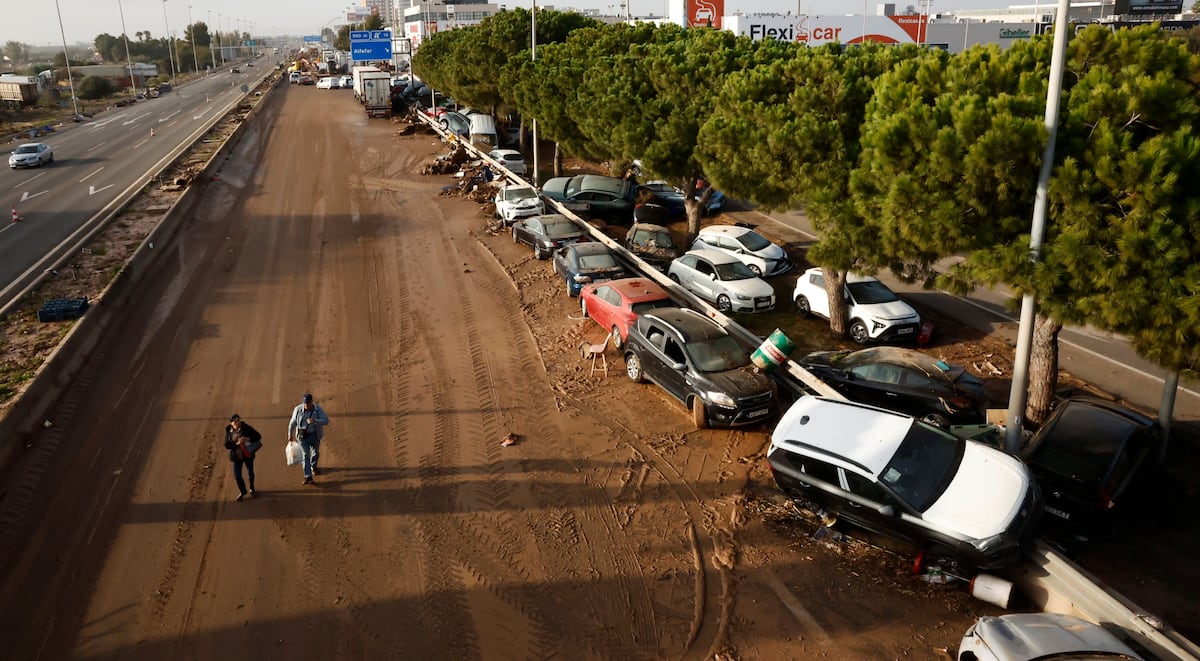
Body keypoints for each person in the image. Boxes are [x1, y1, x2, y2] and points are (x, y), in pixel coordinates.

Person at [288, 393, 329, 485]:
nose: (306, 405)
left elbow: (326, 420)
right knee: (305, 455)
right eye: (305, 403)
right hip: (302, 437)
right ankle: (308, 476)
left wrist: (315, 421)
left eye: (308, 403)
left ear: (311, 402)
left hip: (314, 435)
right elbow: (292, 423)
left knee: (316, 453)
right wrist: (290, 434)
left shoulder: (317, 410)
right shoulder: (298, 410)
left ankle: (313, 465)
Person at [224, 414, 262, 501]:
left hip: (247, 455)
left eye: (238, 420)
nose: (237, 423)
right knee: (237, 476)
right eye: (235, 421)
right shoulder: (229, 431)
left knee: (250, 473)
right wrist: (236, 443)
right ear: (231, 423)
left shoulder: (246, 428)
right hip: (237, 457)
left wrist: (247, 439)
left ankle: (252, 487)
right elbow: (227, 445)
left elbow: (258, 436)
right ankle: (243, 491)